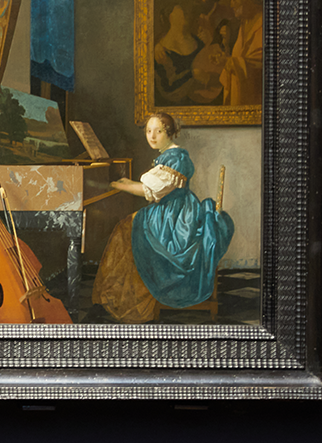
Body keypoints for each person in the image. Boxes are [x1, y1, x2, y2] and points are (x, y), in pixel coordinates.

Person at [91, 112, 234, 323]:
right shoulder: (167, 155)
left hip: (175, 217)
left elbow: (149, 190)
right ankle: (119, 293)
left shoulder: (176, 158)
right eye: (149, 131)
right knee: (125, 230)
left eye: (159, 131)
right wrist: (124, 183)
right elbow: (151, 186)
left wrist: (118, 185)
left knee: (127, 230)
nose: (152, 136)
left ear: (170, 133)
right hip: (171, 210)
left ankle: (131, 296)